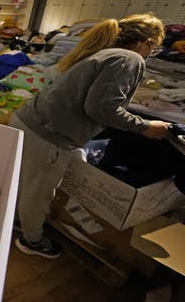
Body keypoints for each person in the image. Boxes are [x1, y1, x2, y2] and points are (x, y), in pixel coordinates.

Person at [10, 13, 171, 259]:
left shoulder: (103, 53)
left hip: (29, 120)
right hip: (48, 136)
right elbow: (101, 108)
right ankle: (31, 241)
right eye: (154, 47)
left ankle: (18, 221)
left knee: (24, 183)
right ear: (146, 42)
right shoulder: (130, 59)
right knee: (38, 193)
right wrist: (145, 126)